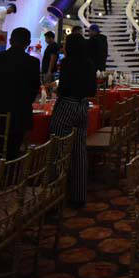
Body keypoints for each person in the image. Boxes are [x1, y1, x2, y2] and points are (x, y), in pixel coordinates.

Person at [0, 27, 45, 159]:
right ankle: (8, 171)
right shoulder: (32, 62)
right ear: (28, 43)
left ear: (10, 40)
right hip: (18, 117)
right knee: (11, 154)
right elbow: (33, 89)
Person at [48, 31, 97, 208]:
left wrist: (56, 90)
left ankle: (54, 195)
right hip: (83, 106)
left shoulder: (67, 63)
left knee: (57, 149)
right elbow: (92, 90)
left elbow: (64, 88)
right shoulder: (89, 63)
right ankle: (78, 195)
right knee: (79, 151)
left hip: (67, 105)